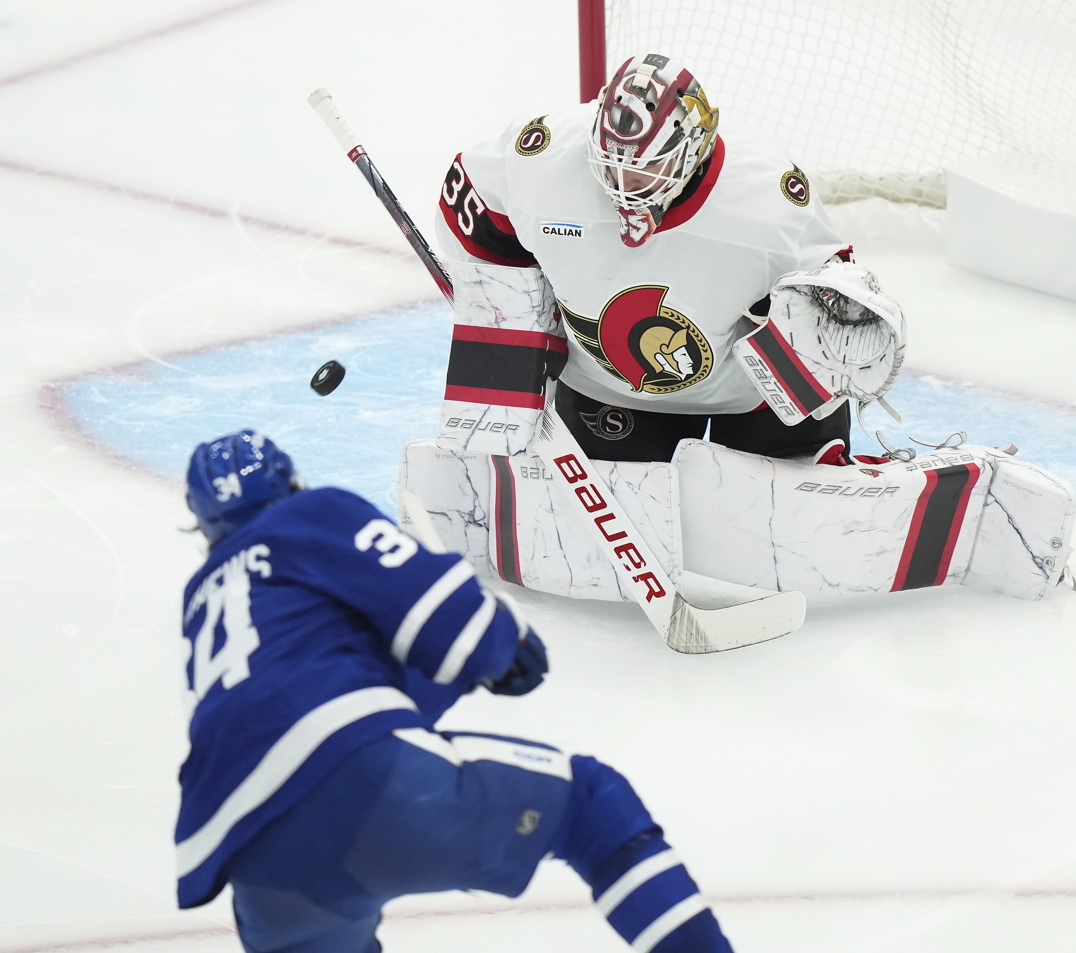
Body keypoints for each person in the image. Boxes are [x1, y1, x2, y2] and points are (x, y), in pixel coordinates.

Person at [174, 429, 736, 952]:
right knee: (591, 805)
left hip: (253, 864)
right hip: (358, 779)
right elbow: (450, 621)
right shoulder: (309, 515)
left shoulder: (202, 598)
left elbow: (337, 693)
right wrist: (501, 642)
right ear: (290, 482)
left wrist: (472, 667)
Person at [434, 52, 906, 467]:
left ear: (695, 149)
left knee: (800, 543)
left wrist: (836, 329)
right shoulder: (543, 155)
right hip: (609, 390)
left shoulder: (766, 201)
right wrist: (514, 316)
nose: (622, 186)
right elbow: (471, 209)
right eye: (609, 162)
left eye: (644, 170)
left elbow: (831, 317)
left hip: (754, 401)